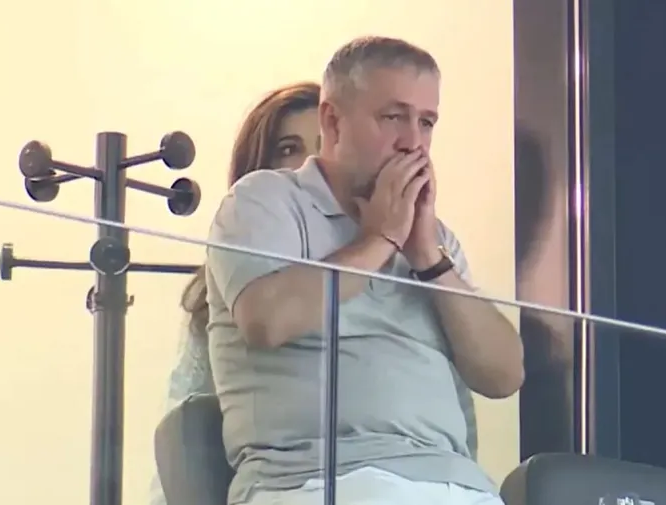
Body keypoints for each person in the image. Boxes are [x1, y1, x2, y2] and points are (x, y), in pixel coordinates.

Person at [205, 36, 524, 505]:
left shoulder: (434, 238)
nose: (413, 142)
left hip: (458, 485)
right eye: (393, 117)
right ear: (333, 122)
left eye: (426, 122)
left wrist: (428, 258)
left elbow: (505, 376)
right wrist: (380, 240)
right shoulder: (264, 199)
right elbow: (267, 321)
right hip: (320, 481)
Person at [149, 81, 321, 505]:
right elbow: (184, 430)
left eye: (324, 146)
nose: (309, 165)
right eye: (288, 149)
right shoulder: (216, 298)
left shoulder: (385, 270)